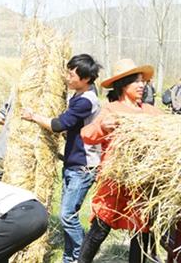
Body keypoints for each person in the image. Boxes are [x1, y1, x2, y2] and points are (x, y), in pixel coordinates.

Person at [78, 59, 163, 263]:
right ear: (123, 85)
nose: (142, 85)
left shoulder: (151, 112)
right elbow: (87, 134)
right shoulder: (111, 110)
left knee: (141, 233)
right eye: (136, 81)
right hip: (114, 183)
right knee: (99, 229)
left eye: (143, 81)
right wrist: (102, 128)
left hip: (142, 185)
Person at [21, 54, 102, 263]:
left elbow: (59, 125)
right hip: (73, 163)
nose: (67, 77)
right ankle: (70, 258)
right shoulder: (78, 95)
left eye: (71, 73)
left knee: (67, 216)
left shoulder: (86, 101)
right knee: (69, 215)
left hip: (83, 167)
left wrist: (33, 117)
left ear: (85, 79)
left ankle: (83, 256)